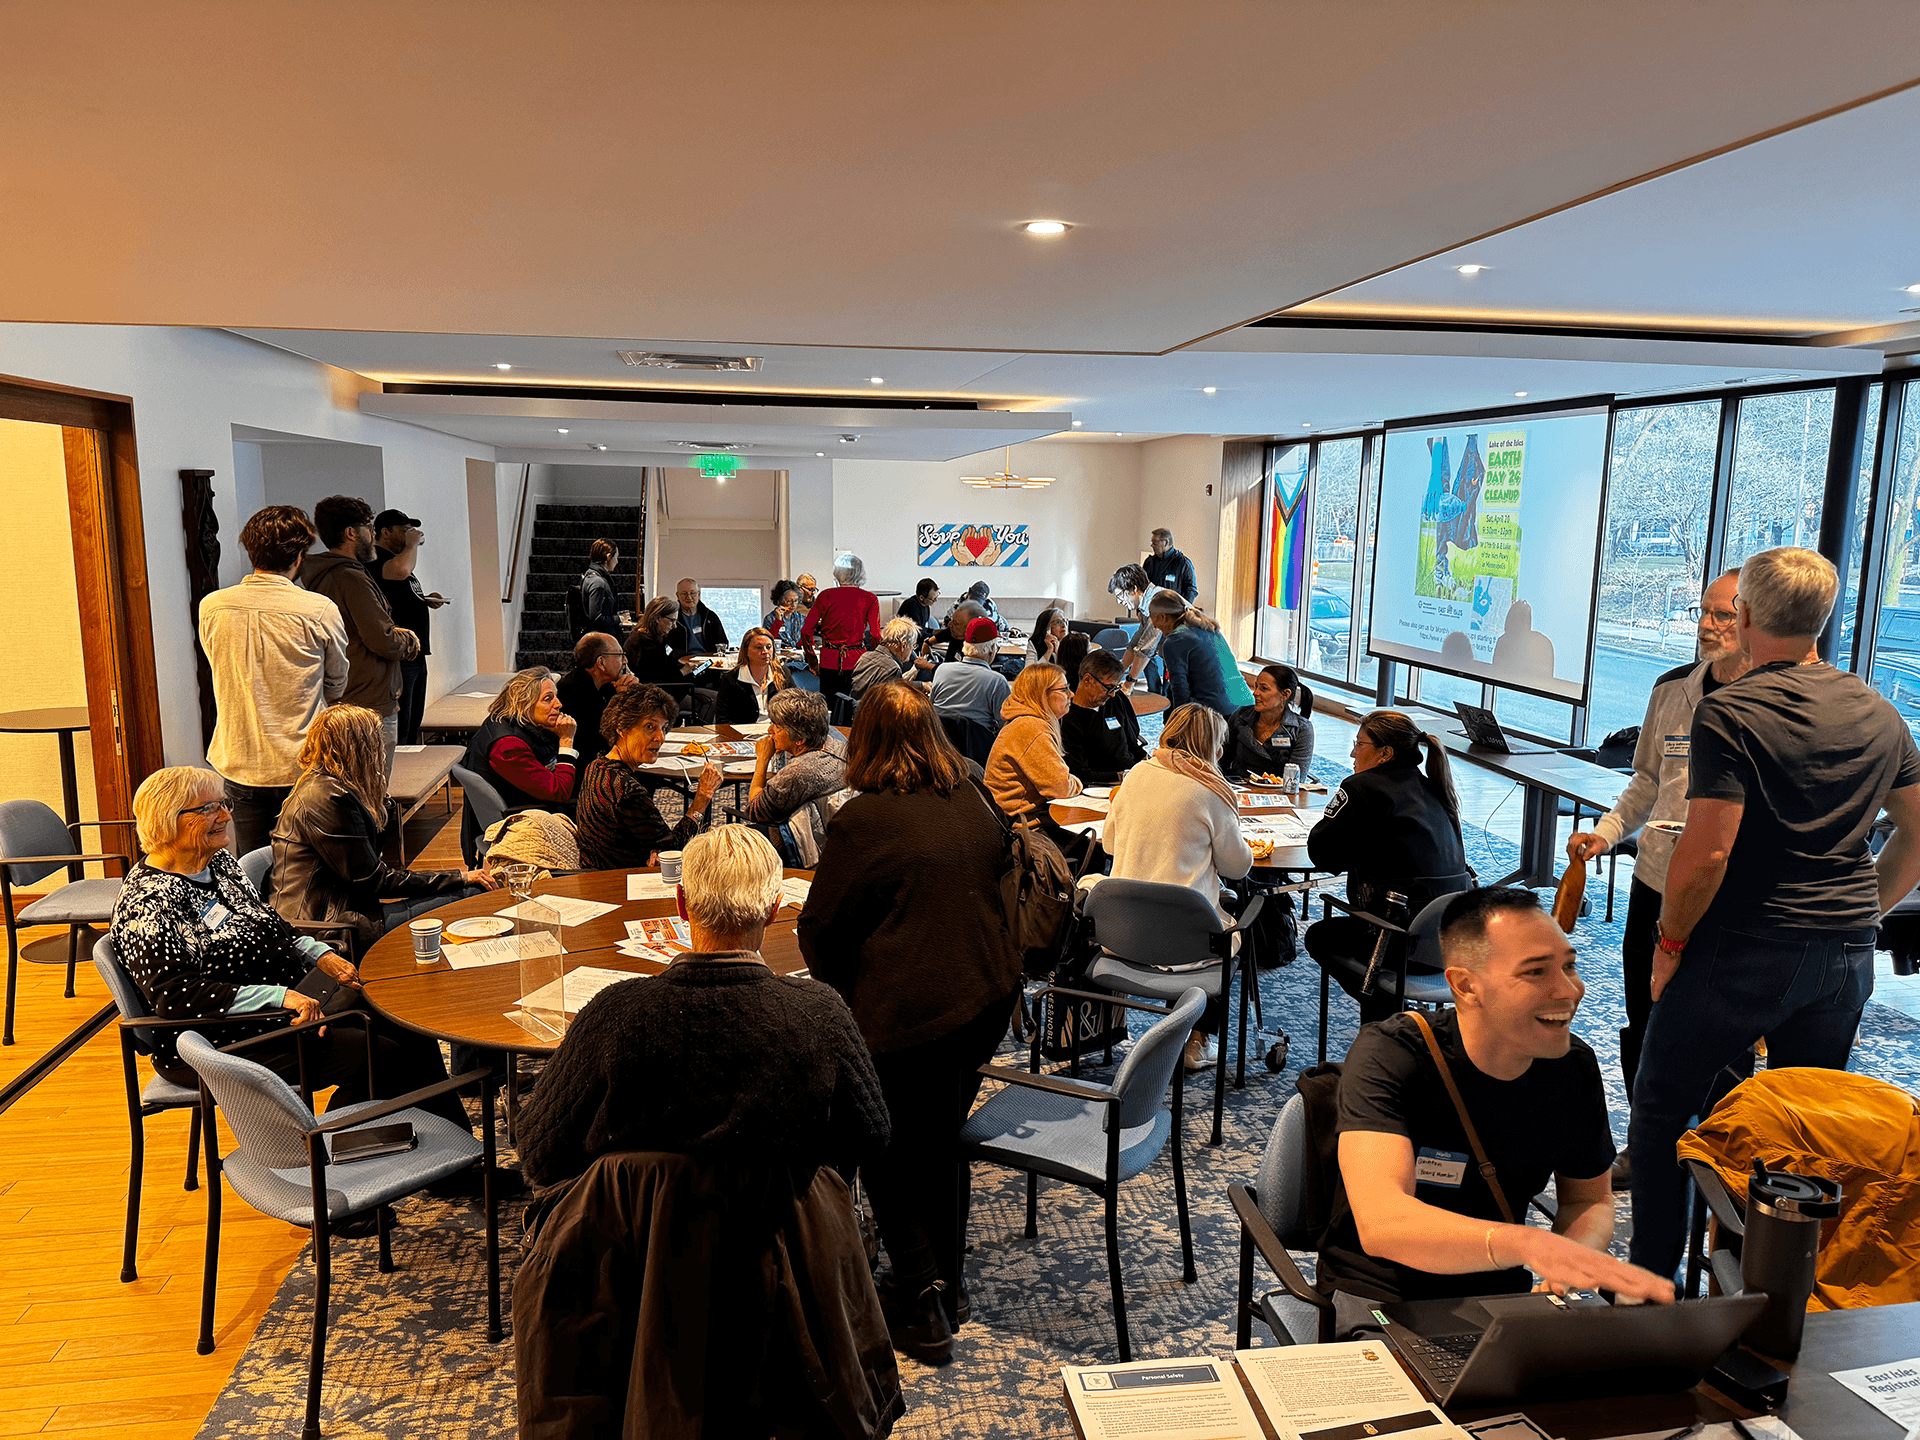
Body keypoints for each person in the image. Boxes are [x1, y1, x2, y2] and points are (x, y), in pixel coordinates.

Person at [1631, 547, 1920, 1280]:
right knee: (1798, 1128)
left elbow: (1707, 855)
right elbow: (1919, 830)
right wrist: (1862, 910)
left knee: (1665, 1111)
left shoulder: (1732, 710)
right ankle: (1760, 1286)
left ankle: (1646, 1289)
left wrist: (1669, 943)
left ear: (1749, 617)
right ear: (1824, 619)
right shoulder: (1879, 710)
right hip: (1842, 958)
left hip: (1743, 946)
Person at [798, 683, 1023, 1363]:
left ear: (863, 740)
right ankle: (946, 1284)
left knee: (883, 1143)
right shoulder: (974, 798)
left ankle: (923, 1302)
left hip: (915, 1014)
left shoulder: (865, 820)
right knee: (938, 1140)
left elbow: (820, 933)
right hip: (985, 998)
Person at [1323, 887, 1673, 1325]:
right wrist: (1527, 1245)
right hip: (1381, 1295)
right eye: (1535, 972)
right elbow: (1384, 1223)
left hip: (1498, 1298)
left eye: (1569, 966)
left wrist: (1569, 1257)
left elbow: (1589, 1199)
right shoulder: (1393, 1054)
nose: (1570, 990)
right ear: (1466, 986)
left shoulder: (1572, 1068)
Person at [517, 824, 889, 1188]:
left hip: (636, 1245)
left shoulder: (614, 1016)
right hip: (783, 1242)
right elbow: (870, 1138)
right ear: (775, 910)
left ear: (682, 903)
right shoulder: (821, 1015)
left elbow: (538, 1155)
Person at [111, 766, 467, 1131]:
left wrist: (319, 953)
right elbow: (176, 997)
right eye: (209, 809)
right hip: (222, 1038)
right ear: (167, 820)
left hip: (287, 1008)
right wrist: (279, 997)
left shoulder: (217, 864)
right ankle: (319, 1148)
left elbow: (269, 922)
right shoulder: (148, 902)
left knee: (402, 1019)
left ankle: (459, 1148)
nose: (226, 815)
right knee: (381, 1055)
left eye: (223, 804)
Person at [1564, 568, 1748, 1155]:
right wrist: (1608, 830)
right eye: (1704, 611)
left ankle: (1721, 1152)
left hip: (1728, 892)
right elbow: (1647, 779)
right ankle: (1646, 1145)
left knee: (1725, 1033)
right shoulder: (1672, 690)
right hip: (1655, 881)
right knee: (1645, 1013)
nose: (1707, 626)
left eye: (1723, 615)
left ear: (1754, 622)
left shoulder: (1776, 703)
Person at [269, 705, 494, 954]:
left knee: (468, 891)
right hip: (331, 925)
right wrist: (459, 876)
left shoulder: (328, 787)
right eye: (376, 741)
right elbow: (375, 880)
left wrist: (377, 798)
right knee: (472, 893)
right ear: (360, 748)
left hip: (347, 907)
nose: (382, 750)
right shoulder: (328, 799)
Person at [1102, 702, 1253, 1071]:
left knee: (1191, 912)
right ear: (1209, 745)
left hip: (1122, 932)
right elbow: (1237, 866)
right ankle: (1197, 1042)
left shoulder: (1137, 773)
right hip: (1181, 942)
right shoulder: (1211, 791)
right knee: (1232, 925)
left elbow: (1108, 844)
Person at [198, 504, 348, 857]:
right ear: (299, 556)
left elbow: (217, 667)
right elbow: (337, 682)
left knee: (253, 864)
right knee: (313, 866)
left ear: (251, 551)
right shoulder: (318, 609)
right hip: (304, 759)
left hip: (241, 757)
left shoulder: (213, 606)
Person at [1306, 710, 1468, 1024]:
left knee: (1319, 936)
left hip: (1396, 940)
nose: (1353, 752)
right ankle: (1400, 1021)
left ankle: (1391, 1015)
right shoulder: (1436, 788)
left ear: (1385, 753)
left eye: (1360, 744)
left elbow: (1323, 856)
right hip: (1448, 943)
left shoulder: (1361, 787)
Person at [301, 494, 420, 774]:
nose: (373, 535)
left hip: (351, 695)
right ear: (351, 533)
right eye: (369, 527)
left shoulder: (329, 574)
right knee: (371, 790)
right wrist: (408, 640)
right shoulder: (349, 577)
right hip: (369, 701)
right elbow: (382, 641)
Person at [575, 685, 724, 870]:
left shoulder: (595, 767)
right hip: (619, 883)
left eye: (663, 728)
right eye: (649, 727)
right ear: (622, 728)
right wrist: (702, 799)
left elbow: (657, 845)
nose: (660, 737)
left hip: (595, 876)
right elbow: (673, 851)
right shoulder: (626, 789)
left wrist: (656, 850)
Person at [368, 509, 448, 747]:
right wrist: (412, 545)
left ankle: (412, 765)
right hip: (401, 655)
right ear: (385, 532)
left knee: (413, 720)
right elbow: (400, 572)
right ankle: (402, 773)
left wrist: (424, 599)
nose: (409, 534)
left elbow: (400, 591)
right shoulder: (377, 558)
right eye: (403, 530)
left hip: (416, 653)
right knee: (402, 722)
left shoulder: (397, 560)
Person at [742, 689, 849, 866]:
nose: (770, 730)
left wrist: (762, 759)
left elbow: (756, 811)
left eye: (777, 726)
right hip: (837, 841)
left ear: (800, 738)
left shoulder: (799, 772)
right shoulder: (839, 744)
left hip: (799, 847)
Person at [462, 666, 580, 810]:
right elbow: (560, 792)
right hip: (529, 819)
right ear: (524, 703)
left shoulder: (508, 720)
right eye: (548, 699)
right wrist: (566, 740)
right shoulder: (508, 746)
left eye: (555, 696)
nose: (558, 704)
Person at [985, 661, 1083, 821]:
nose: (1071, 694)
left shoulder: (1026, 722)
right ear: (1042, 694)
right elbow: (1061, 790)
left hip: (1018, 819)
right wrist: (1078, 783)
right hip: (1022, 828)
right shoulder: (1031, 728)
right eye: (1064, 689)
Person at [1060, 648, 1148, 784]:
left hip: (1132, 775)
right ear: (1088, 680)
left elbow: (1133, 744)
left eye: (1115, 688)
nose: (1112, 694)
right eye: (1108, 688)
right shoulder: (1068, 717)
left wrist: (1151, 765)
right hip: (1103, 785)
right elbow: (1080, 774)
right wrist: (1123, 777)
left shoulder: (1116, 700)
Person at [802, 552, 881, 702]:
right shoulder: (870, 598)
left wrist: (812, 660)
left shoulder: (825, 595)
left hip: (828, 659)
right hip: (858, 660)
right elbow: (876, 635)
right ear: (860, 573)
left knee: (830, 707)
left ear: (837, 573)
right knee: (855, 706)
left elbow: (806, 631)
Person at [554, 631, 636, 769]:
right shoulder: (575, 691)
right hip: (584, 769)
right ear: (601, 663)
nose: (625, 661)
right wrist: (622, 699)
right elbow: (605, 739)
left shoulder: (602, 686)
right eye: (620, 655)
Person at [1146, 589, 1233, 716]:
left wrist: (1179, 725)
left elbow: (1180, 689)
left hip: (1216, 713)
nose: (1153, 625)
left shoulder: (1174, 640)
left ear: (1163, 617)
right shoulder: (1208, 628)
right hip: (1241, 707)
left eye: (1152, 617)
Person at [1222, 663, 1316, 777]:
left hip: (1278, 793)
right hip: (1237, 789)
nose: (1255, 693)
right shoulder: (1241, 717)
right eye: (1256, 686)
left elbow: (1295, 780)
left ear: (1285, 694)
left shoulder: (1302, 730)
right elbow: (1221, 760)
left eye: (1264, 688)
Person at [929, 617, 1012, 735]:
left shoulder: (942, 670)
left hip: (940, 744)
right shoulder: (997, 681)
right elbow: (1005, 725)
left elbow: (931, 708)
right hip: (978, 749)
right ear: (992, 649)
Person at [714, 625, 790, 722]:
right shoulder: (731, 679)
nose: (765, 652)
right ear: (746, 651)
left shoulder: (783, 674)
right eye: (759, 647)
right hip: (743, 734)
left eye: (769, 647)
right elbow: (722, 720)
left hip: (777, 732)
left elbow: (795, 708)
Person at [1108, 562, 1165, 690]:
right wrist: (1117, 675)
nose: (1119, 601)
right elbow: (1136, 642)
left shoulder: (1156, 602)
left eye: (1120, 595)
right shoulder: (1147, 604)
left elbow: (1146, 648)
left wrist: (1129, 683)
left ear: (1134, 589)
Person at [623, 595, 690, 686]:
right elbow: (654, 678)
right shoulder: (642, 642)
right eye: (672, 621)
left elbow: (668, 662)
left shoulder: (659, 636)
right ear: (657, 618)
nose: (675, 626)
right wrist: (683, 672)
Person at [850, 616, 922, 700]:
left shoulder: (865, 657)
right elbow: (890, 704)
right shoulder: (893, 669)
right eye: (913, 645)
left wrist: (920, 685)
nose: (912, 650)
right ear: (903, 645)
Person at [915, 599, 983, 676]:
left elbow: (956, 675)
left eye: (955, 623)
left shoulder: (974, 651)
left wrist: (927, 665)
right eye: (952, 620)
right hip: (945, 670)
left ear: (969, 629)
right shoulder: (955, 631)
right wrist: (927, 643)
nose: (950, 624)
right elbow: (942, 635)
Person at [579, 539, 625, 641]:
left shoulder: (591, 576)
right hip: (602, 639)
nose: (617, 561)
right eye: (616, 557)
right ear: (608, 556)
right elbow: (596, 618)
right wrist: (619, 619)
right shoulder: (598, 582)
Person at [674, 576, 729, 654]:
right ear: (677, 596)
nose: (689, 597)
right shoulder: (672, 619)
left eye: (692, 593)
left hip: (709, 661)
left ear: (698, 594)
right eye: (684, 593)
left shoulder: (710, 617)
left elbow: (723, 643)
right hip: (681, 663)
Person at [1144, 527, 1199, 603]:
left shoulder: (1183, 563)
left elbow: (1191, 590)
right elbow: (1142, 587)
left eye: (1155, 543)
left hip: (1173, 612)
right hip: (1151, 612)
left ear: (1166, 542)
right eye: (1152, 542)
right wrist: (1139, 611)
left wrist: (1184, 610)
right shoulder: (1149, 563)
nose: (1152, 545)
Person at [763, 579, 806, 648]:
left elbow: (804, 640)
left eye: (796, 601)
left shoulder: (801, 618)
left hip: (797, 655)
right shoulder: (770, 619)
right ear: (780, 600)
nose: (793, 605)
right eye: (789, 601)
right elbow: (767, 640)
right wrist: (778, 621)